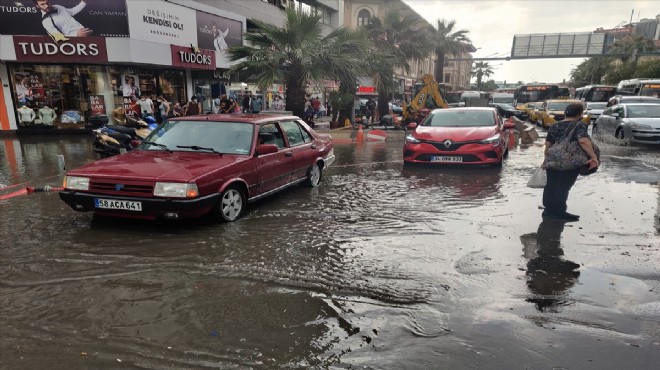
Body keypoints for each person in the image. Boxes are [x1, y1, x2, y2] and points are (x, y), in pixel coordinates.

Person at [541, 102, 599, 221]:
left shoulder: (555, 126)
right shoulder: (579, 125)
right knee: (563, 187)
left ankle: (548, 211)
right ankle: (559, 213)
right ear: (580, 114)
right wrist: (593, 157)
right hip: (570, 161)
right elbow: (583, 141)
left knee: (551, 185)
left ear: (565, 113)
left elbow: (547, 144)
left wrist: (546, 159)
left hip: (553, 159)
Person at [521, 220, 580, 312]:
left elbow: (574, 271)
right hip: (549, 257)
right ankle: (550, 224)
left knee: (550, 235)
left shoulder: (539, 286)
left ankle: (550, 223)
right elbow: (573, 272)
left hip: (547, 257)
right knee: (550, 235)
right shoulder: (538, 286)